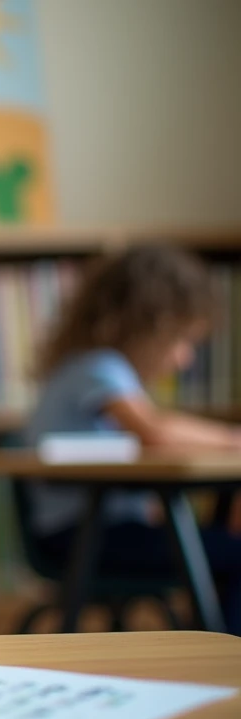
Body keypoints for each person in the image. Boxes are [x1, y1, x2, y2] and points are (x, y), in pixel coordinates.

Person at [26, 244, 241, 634]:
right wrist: (232, 439)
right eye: (181, 340)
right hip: (84, 538)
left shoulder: (94, 367)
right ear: (148, 325)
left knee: (221, 547)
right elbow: (154, 432)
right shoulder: (97, 367)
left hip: (97, 532)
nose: (184, 360)